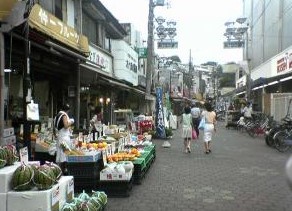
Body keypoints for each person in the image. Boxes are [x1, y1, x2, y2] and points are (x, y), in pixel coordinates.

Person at [53, 103, 74, 174]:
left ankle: (57, 172)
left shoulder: (56, 116)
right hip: (64, 139)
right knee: (65, 155)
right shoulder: (64, 115)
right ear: (67, 111)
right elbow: (65, 126)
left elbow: (54, 129)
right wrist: (71, 122)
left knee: (59, 155)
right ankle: (63, 172)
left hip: (59, 138)